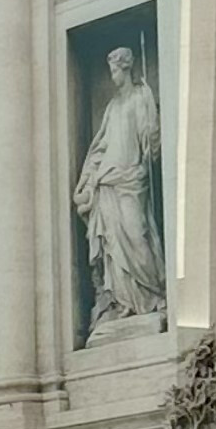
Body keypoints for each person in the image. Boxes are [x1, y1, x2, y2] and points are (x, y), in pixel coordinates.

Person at [73, 44, 166, 331]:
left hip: (132, 178)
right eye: (110, 69)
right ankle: (123, 301)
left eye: (115, 69)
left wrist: (151, 134)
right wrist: (86, 181)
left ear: (125, 68)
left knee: (137, 233)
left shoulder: (141, 96)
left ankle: (153, 295)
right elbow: (100, 148)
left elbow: (152, 141)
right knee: (113, 244)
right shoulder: (112, 107)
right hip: (108, 181)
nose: (112, 74)